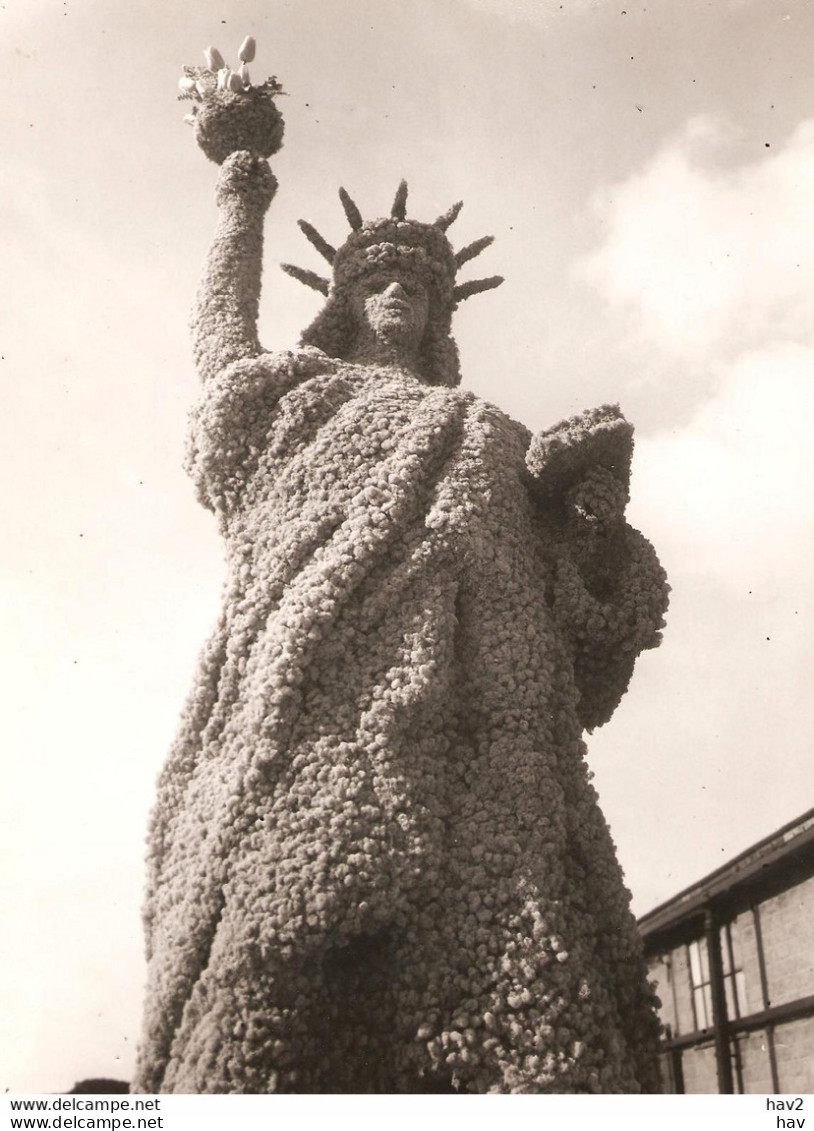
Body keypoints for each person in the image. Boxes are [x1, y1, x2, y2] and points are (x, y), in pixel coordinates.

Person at [133, 48, 669, 1094]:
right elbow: (220, 347)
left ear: (442, 312)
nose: (397, 300)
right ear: (342, 301)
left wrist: (592, 520)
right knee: (280, 956)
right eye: (375, 281)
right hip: (319, 721)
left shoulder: (486, 431)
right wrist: (241, 181)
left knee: (526, 995)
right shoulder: (297, 400)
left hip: (492, 753)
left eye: (417, 288)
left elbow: (583, 618)